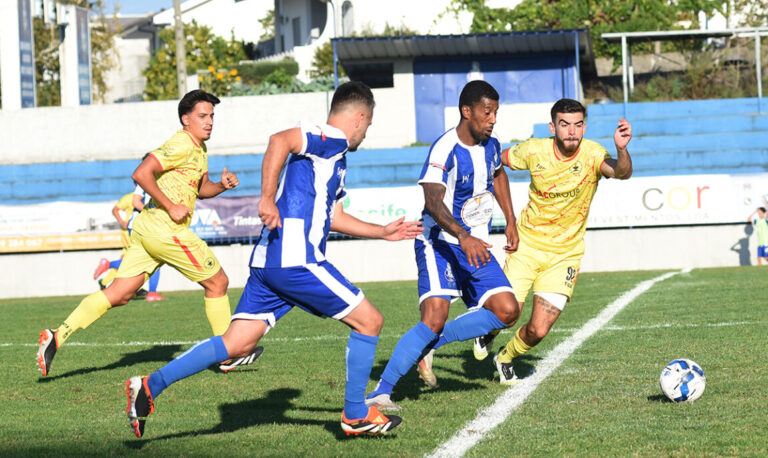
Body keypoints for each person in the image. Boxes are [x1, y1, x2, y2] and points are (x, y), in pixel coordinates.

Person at [124, 81, 422, 439]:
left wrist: (381, 232)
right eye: (368, 125)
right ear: (359, 118)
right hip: (296, 259)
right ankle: (356, 414)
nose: (366, 133)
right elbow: (279, 140)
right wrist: (266, 198)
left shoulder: (333, 159)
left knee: (236, 344)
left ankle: (149, 386)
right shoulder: (331, 137)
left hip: (270, 260)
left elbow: (334, 217)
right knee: (370, 321)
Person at [36, 90, 261, 377]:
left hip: (148, 229)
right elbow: (141, 173)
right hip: (165, 229)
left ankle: (57, 336)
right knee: (218, 282)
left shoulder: (199, 148)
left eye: (212, 116)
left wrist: (221, 186)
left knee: (119, 294)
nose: (209, 122)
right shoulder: (181, 143)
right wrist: (171, 205)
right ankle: (228, 354)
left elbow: (201, 189)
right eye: (202, 116)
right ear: (186, 119)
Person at [364, 80, 521, 412]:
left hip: (475, 244)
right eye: (487, 112)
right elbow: (433, 201)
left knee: (507, 310)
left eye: (496, 112)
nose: (493, 119)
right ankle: (382, 392)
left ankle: (430, 345)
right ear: (467, 111)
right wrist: (463, 236)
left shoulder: (492, 145)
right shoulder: (444, 148)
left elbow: (498, 174)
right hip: (439, 243)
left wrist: (510, 219)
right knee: (434, 316)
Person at [472, 98, 633, 384]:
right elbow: (495, 159)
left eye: (578, 125)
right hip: (527, 246)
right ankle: (487, 331)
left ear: (584, 127)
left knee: (539, 330)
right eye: (564, 124)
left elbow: (622, 173)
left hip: (565, 255)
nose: (572, 131)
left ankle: (505, 357)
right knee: (508, 314)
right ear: (552, 127)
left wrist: (621, 149)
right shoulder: (534, 150)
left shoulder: (593, 154)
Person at [94, 181, 163, 301]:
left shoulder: (148, 190)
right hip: (136, 230)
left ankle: (109, 274)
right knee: (150, 259)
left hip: (138, 228)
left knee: (139, 261)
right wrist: (122, 222)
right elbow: (117, 209)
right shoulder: (137, 194)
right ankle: (150, 292)